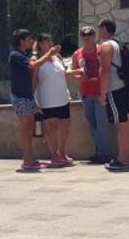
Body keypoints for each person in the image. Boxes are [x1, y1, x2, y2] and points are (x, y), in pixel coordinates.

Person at [10, 29, 57, 171]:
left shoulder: (23, 55)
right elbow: (33, 65)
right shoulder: (15, 55)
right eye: (29, 39)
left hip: (27, 96)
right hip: (21, 96)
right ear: (22, 41)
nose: (32, 42)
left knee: (29, 128)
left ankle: (30, 159)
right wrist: (49, 54)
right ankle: (27, 160)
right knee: (26, 129)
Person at [34, 33, 83, 167]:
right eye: (46, 41)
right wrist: (34, 99)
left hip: (62, 97)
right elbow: (34, 79)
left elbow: (63, 73)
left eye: (50, 41)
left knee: (65, 126)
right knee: (52, 128)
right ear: (39, 44)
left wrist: (77, 72)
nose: (50, 43)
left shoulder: (58, 58)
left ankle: (62, 153)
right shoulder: (37, 60)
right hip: (47, 99)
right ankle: (54, 155)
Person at [98, 19, 129, 171]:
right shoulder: (119, 43)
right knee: (126, 122)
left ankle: (122, 159)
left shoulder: (107, 45)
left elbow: (105, 70)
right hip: (125, 87)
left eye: (99, 28)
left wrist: (102, 94)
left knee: (121, 124)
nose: (99, 31)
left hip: (114, 89)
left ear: (105, 29)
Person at [71, 26, 114, 164]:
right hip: (85, 92)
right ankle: (99, 151)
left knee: (102, 123)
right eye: (84, 37)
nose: (87, 39)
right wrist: (79, 77)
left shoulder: (101, 50)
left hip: (100, 91)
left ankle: (104, 153)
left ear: (94, 36)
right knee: (92, 124)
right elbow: (74, 71)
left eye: (89, 36)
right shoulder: (77, 54)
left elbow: (108, 69)